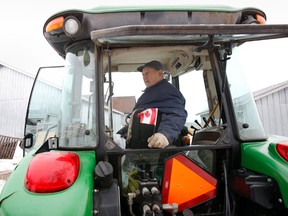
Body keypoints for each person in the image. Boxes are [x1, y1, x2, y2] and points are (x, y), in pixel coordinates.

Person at [130, 60, 187, 149]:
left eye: (147, 73)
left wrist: (165, 134)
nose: (145, 77)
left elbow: (176, 114)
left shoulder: (167, 92)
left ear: (160, 73)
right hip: (141, 145)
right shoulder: (149, 92)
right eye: (143, 75)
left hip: (156, 149)